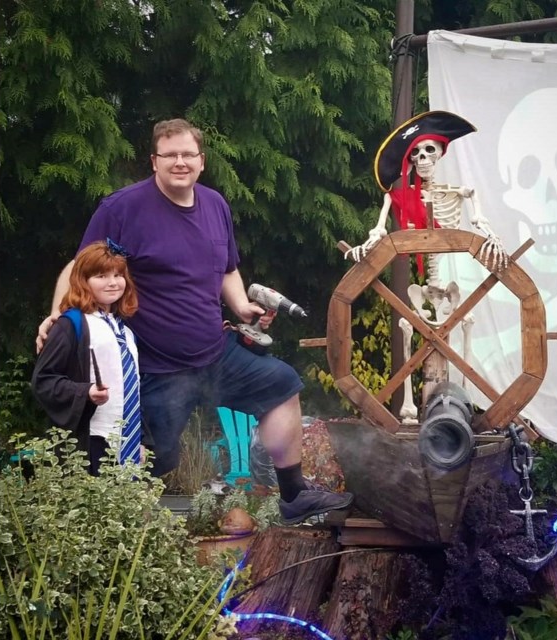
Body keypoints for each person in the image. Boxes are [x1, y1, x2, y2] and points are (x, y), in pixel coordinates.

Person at [37, 118, 352, 524]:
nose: (180, 162)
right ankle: (101, 524)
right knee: (153, 458)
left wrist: (240, 306)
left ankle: (293, 496)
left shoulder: (216, 205)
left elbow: (227, 269)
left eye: (188, 155)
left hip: (215, 353)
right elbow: (81, 267)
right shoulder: (123, 209)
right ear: (154, 161)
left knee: (282, 385)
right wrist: (57, 314)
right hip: (156, 367)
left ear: (201, 161)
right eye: (170, 155)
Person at [32, 239, 154, 476]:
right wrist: (85, 392)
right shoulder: (72, 324)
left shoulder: (126, 332)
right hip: (92, 441)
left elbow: (132, 391)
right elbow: (43, 381)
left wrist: (142, 439)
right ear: (82, 281)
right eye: (101, 276)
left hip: (128, 442)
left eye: (118, 275)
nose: (112, 283)